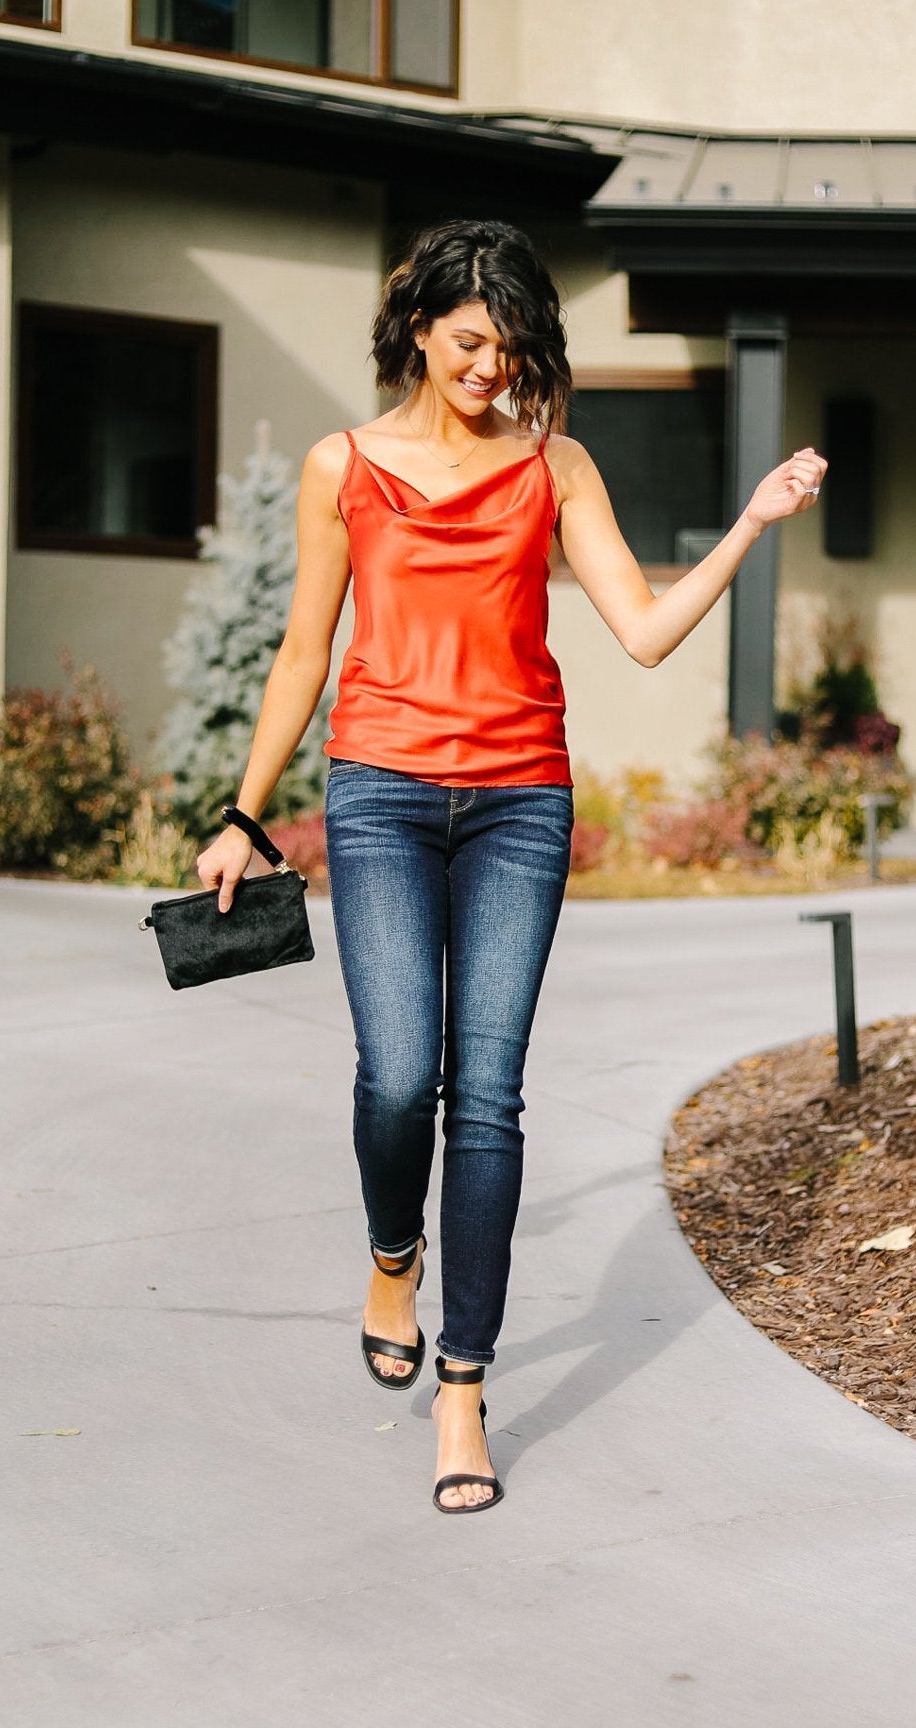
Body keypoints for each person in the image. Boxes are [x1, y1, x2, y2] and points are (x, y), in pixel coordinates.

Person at [195, 219, 826, 1514]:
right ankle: (390, 1255)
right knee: (397, 1078)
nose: (490, 367)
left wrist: (753, 522)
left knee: (487, 1095)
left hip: (520, 804)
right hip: (376, 795)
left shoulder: (555, 470)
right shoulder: (344, 466)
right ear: (420, 331)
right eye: (470, 342)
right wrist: (244, 817)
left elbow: (643, 633)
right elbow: (304, 653)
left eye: (511, 346)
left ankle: (466, 1389)